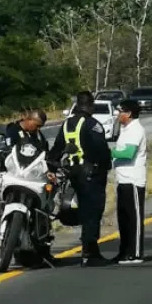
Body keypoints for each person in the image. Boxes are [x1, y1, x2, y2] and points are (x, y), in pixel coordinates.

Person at [48, 91, 112, 267]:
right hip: (91, 174)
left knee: (84, 212)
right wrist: (106, 166)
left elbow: (57, 147)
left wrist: (51, 167)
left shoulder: (67, 124)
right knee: (93, 212)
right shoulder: (92, 124)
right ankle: (89, 253)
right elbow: (102, 149)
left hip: (73, 173)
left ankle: (91, 250)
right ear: (90, 105)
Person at [111, 100, 148, 264]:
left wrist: (109, 152)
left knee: (134, 218)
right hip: (122, 179)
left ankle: (135, 252)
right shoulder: (125, 129)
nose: (117, 114)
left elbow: (128, 153)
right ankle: (124, 251)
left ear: (129, 113)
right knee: (123, 218)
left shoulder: (136, 129)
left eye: (120, 111)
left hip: (133, 180)